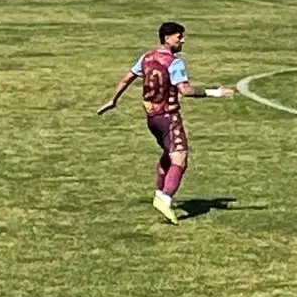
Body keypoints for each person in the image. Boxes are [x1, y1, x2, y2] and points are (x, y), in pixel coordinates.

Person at [97, 22, 234, 224]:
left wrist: (113, 100)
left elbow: (127, 78)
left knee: (168, 155)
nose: (183, 41)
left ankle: (160, 191)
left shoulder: (147, 57)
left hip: (152, 119)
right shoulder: (174, 63)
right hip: (169, 118)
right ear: (167, 38)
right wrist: (215, 92)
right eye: (180, 37)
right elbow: (185, 91)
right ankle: (164, 197)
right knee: (180, 158)